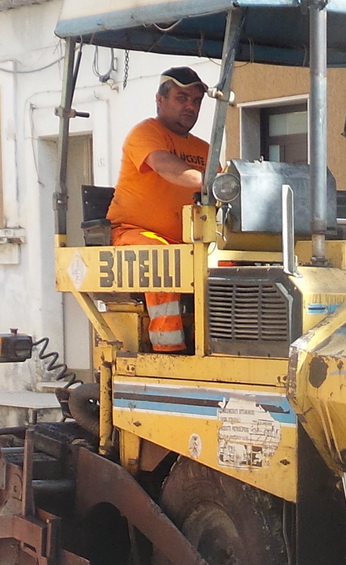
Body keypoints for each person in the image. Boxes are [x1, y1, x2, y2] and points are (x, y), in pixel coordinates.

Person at [108, 65, 210, 352]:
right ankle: (169, 350)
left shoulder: (204, 148)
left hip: (188, 240)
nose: (190, 106)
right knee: (162, 260)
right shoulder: (145, 133)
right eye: (181, 98)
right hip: (131, 233)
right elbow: (165, 166)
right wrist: (209, 181)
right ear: (160, 99)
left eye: (196, 101)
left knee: (230, 264)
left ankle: (219, 341)